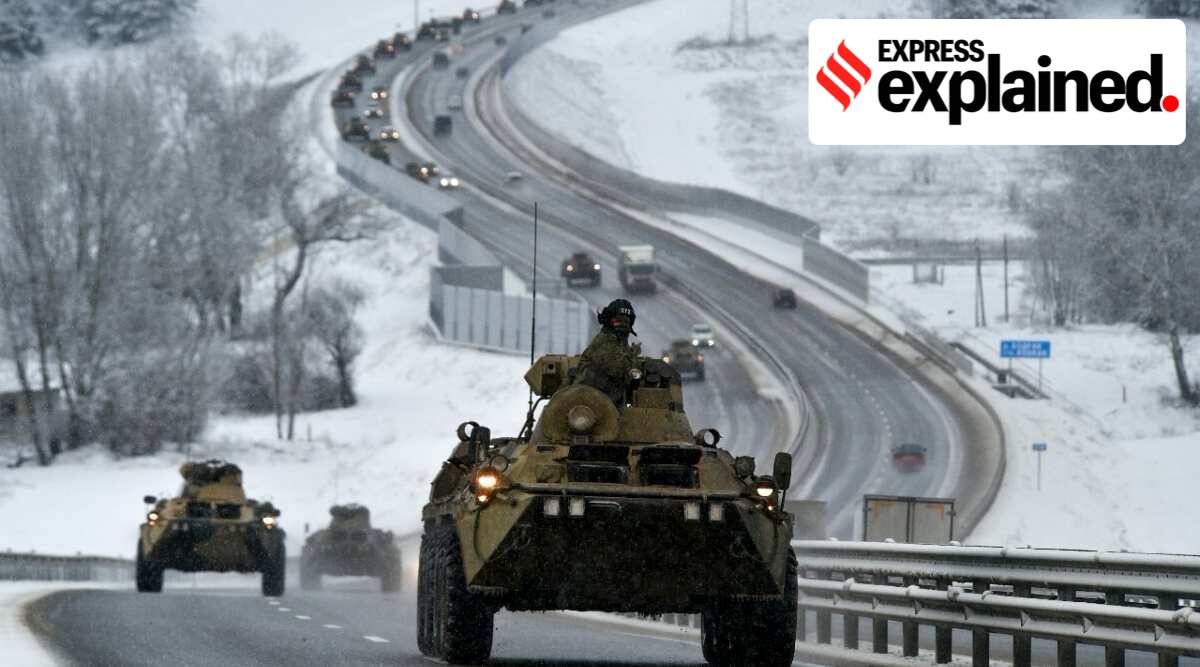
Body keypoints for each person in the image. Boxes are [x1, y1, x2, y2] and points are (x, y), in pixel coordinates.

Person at [573, 299, 641, 405]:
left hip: (605, 403)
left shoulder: (620, 343)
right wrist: (633, 357)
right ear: (608, 321)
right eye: (618, 321)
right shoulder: (605, 341)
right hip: (588, 403)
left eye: (626, 322)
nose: (622, 325)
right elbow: (620, 369)